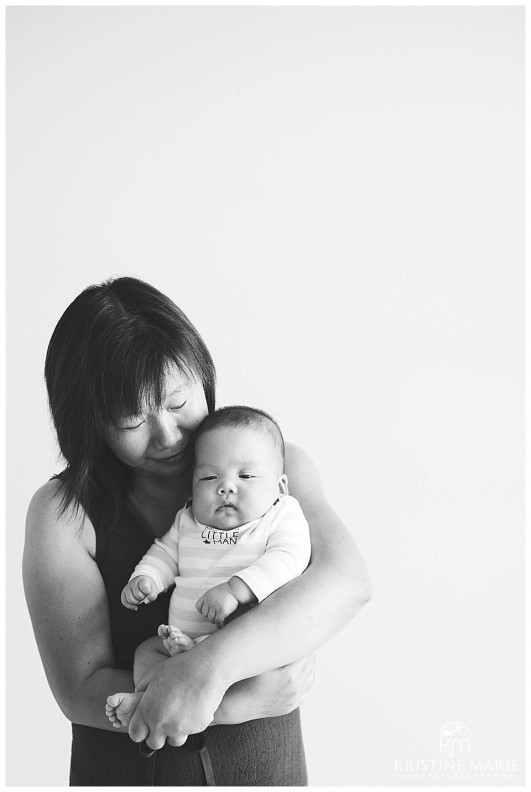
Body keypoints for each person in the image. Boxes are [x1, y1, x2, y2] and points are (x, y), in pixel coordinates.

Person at [23, 276, 372, 786]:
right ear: (89, 421)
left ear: (201, 375)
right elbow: (79, 689)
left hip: (266, 770)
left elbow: (346, 581)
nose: (166, 434)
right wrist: (235, 700)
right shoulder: (63, 512)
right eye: (131, 419)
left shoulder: (273, 465)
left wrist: (208, 668)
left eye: (177, 401)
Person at [106, 405, 311, 730]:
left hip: (238, 645)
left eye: (246, 476)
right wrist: (146, 578)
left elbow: (290, 557)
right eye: (209, 477)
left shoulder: (279, 516)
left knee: (253, 671)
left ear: (280, 486)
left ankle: (173, 707)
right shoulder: (188, 521)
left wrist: (235, 589)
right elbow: (165, 553)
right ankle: (147, 699)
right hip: (180, 639)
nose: (226, 486)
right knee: (146, 653)